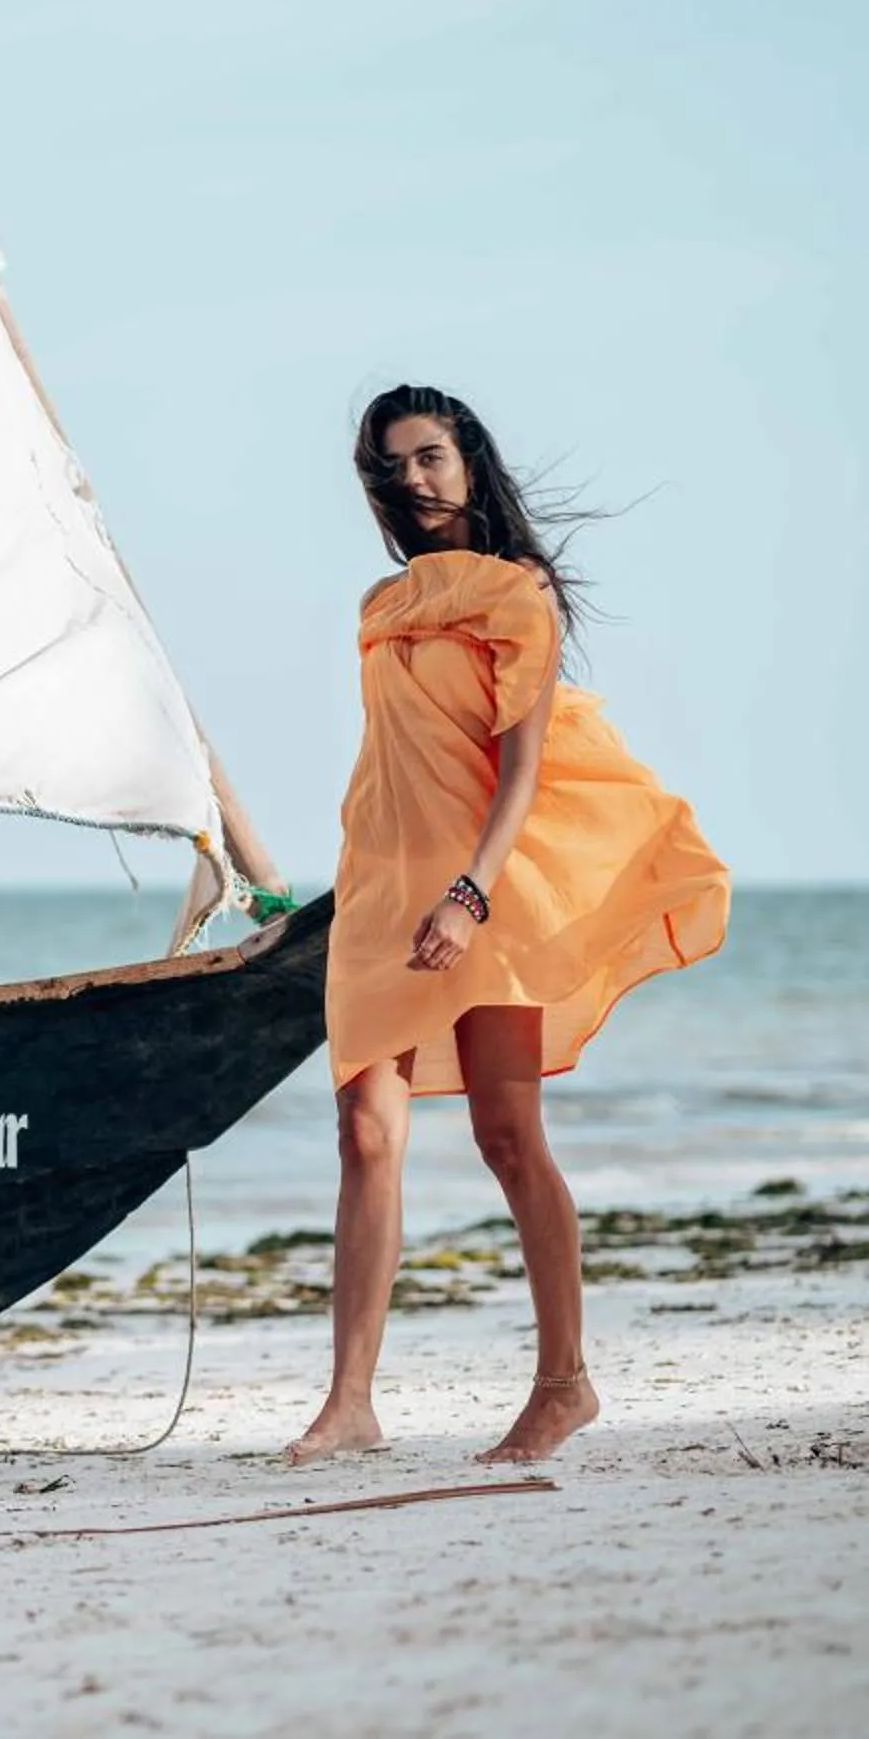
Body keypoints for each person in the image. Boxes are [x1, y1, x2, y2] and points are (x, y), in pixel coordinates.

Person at [286, 385, 728, 1466]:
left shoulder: (519, 594)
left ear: (469, 458)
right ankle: (350, 1404)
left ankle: (564, 1382)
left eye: (431, 456)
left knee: (505, 1133)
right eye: (393, 468)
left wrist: (469, 891)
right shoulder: (381, 605)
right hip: (378, 892)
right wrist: (351, 887)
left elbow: (518, 769)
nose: (416, 481)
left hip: (481, 890)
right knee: (364, 1132)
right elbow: (394, 759)